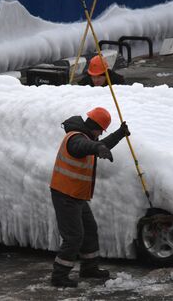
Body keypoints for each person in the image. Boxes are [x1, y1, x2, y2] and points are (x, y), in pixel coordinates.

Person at [49, 107, 130, 288]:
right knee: (73, 237)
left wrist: (119, 134)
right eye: (101, 130)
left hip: (76, 195)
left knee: (90, 229)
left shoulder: (86, 137)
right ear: (96, 127)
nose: (101, 134)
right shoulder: (75, 138)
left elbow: (95, 145)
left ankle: (89, 268)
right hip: (65, 194)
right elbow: (83, 147)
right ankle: (59, 276)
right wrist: (98, 146)